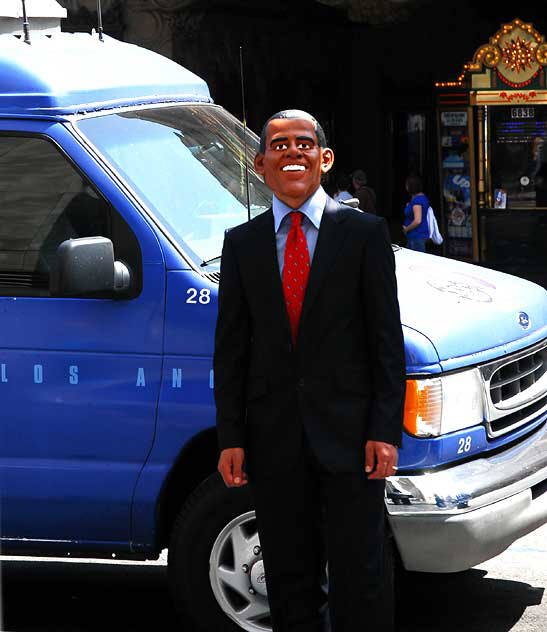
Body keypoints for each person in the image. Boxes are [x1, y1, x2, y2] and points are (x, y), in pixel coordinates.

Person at [214, 109, 405, 632]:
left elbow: (386, 341)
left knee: (360, 579)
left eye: (304, 143)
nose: (291, 151)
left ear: (325, 159)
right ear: (259, 165)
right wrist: (232, 436)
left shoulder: (364, 234)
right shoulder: (243, 243)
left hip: (352, 442)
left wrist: (384, 430)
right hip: (273, 441)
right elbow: (230, 350)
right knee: (289, 579)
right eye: (278, 145)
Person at [402, 175, 429, 252]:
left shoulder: (417, 200)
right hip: (417, 235)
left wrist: (406, 229)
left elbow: (417, 220)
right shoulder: (420, 198)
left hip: (416, 235)